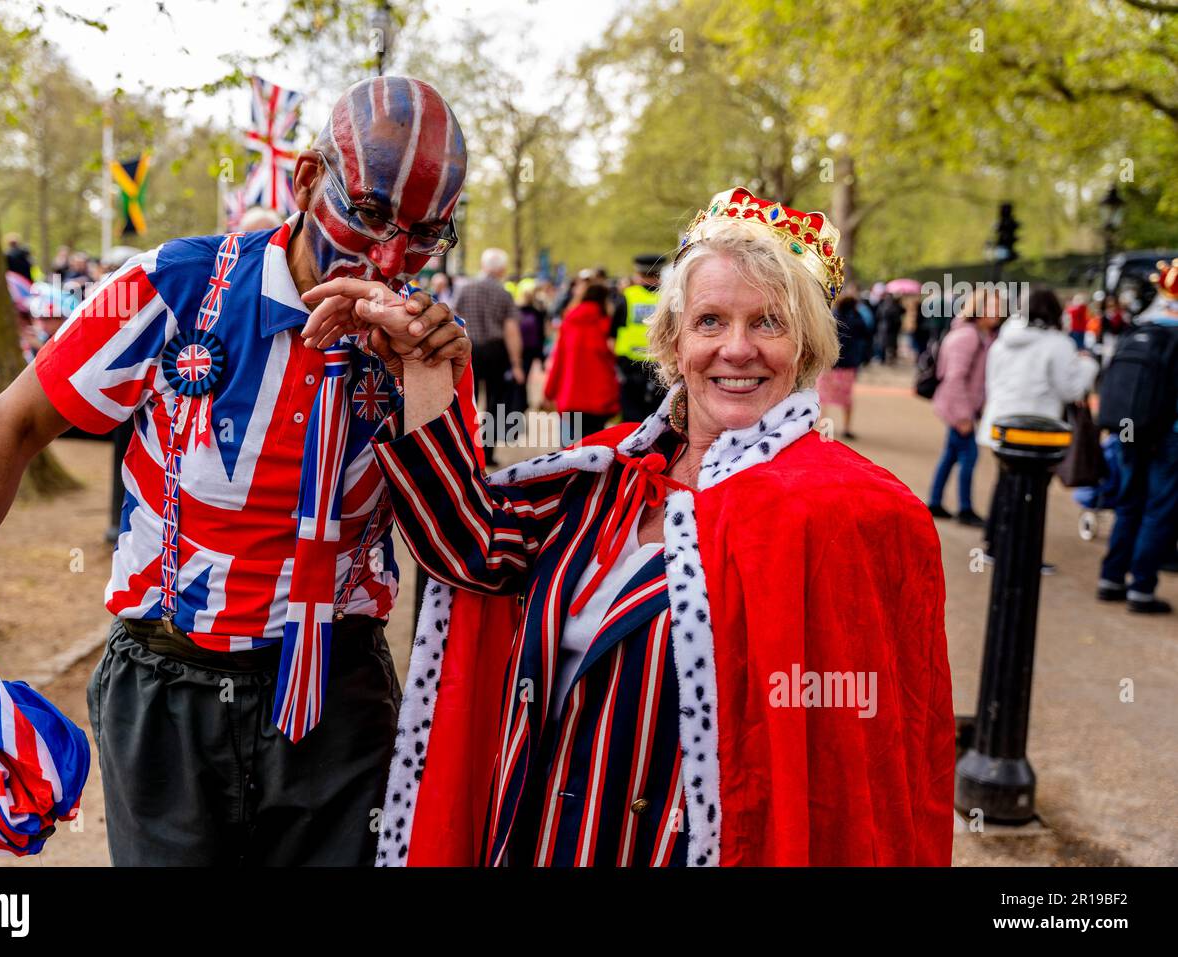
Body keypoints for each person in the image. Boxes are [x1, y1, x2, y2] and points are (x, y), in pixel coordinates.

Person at [0, 76, 476, 866]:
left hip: (340, 703)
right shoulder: (174, 287)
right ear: (303, 181)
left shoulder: (431, 347)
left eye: (428, 233)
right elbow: (12, 423)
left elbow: (461, 547)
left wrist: (428, 381)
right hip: (167, 689)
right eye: (368, 213)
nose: (394, 257)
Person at [347, 186, 953, 867]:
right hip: (543, 838)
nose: (737, 348)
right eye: (711, 321)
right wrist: (424, 366)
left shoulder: (851, 509)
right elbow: (471, 548)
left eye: (769, 323)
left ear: (807, 345)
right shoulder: (608, 473)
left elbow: (858, 777)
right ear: (671, 339)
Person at [979, 286, 1097, 566]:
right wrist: (1089, 367)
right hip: (1037, 428)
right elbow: (1070, 390)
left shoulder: (1004, 339)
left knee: (1005, 483)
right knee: (1031, 493)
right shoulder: (1057, 344)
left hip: (1001, 423)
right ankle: (1022, 555)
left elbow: (991, 380)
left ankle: (995, 544)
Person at [1097, 261, 1178, 614]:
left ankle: (1111, 577)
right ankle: (1141, 587)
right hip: (1170, 434)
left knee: (1129, 503)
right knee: (1159, 509)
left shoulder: (1140, 327)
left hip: (1129, 428)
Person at [927, 289, 1003, 526]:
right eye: (994, 306)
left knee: (950, 455)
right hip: (959, 409)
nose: (999, 312)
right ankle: (965, 508)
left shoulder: (978, 334)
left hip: (962, 407)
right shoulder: (969, 336)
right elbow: (955, 378)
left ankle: (936, 502)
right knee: (969, 456)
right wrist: (963, 416)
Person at [453, 247, 524, 466]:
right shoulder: (503, 293)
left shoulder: (466, 289)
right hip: (496, 351)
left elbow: (454, 320)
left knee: (466, 400)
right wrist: (517, 363)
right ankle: (487, 452)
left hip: (468, 349)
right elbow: (511, 329)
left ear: (484, 266)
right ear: (501, 269)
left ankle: (466, 451)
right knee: (494, 403)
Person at [544, 281, 620, 444]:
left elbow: (558, 361)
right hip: (599, 397)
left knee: (568, 453)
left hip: (570, 395)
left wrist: (549, 391)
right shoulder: (606, 325)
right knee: (594, 448)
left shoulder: (569, 322)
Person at [612, 253, 665, 422]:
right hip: (661, 366)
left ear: (638, 273)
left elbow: (612, 334)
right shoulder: (668, 297)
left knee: (631, 420)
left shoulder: (626, 297)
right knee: (657, 419)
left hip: (630, 367)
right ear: (659, 273)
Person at [818, 287, 874, 439]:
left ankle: (825, 429)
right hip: (849, 365)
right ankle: (847, 427)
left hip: (830, 364)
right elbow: (867, 335)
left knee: (824, 399)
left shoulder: (832, 318)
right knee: (846, 399)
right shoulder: (858, 320)